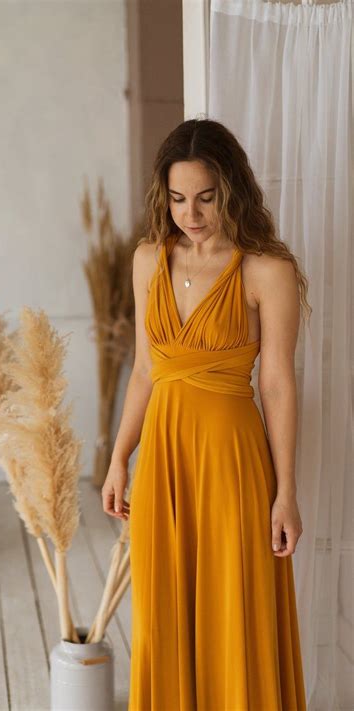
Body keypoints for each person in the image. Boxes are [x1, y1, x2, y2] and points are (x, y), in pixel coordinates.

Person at [101, 118, 309, 710]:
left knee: (232, 606)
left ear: (232, 189)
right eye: (177, 199)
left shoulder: (265, 269)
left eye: (206, 198)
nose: (190, 213)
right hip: (163, 458)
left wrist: (286, 492)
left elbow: (277, 383)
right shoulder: (149, 259)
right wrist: (119, 458)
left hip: (232, 460)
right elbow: (145, 370)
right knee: (165, 612)